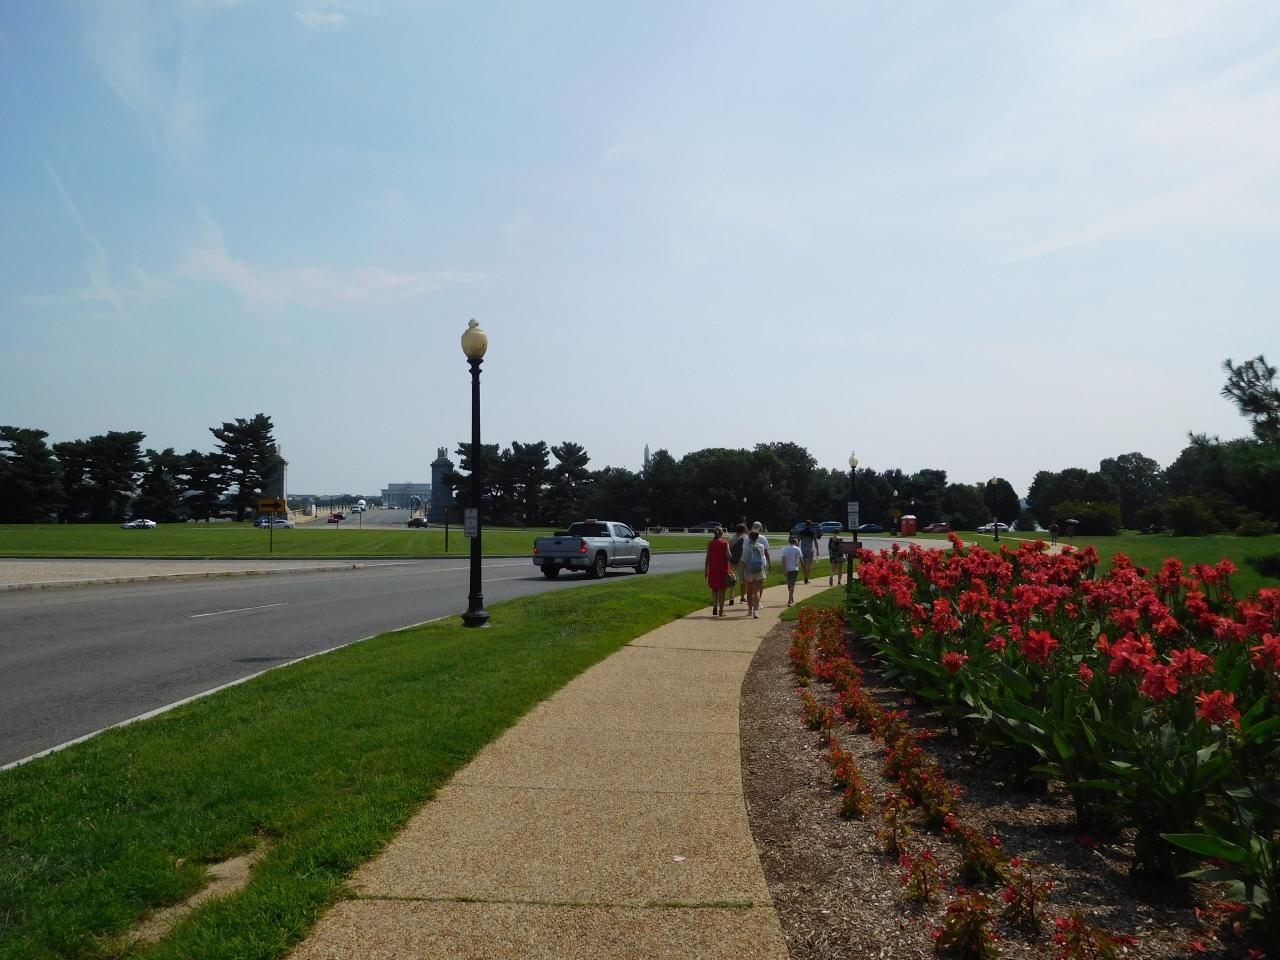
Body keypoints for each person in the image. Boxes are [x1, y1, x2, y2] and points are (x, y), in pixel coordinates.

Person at [741, 527, 771, 618]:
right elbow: (762, 558)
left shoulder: (746, 547)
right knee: (757, 591)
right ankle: (756, 610)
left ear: (749, 537)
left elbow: (743, 560)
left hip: (748, 570)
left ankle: (750, 610)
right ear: (757, 537)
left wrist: (742, 571)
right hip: (759, 570)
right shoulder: (761, 546)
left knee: (749, 591)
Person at [704, 526, 733, 617]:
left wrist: (706, 570)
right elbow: (729, 556)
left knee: (714, 589)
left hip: (713, 569)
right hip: (722, 569)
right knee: (722, 590)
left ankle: (714, 607)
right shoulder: (725, 543)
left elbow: (707, 558)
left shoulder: (710, 543)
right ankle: (721, 610)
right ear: (722, 533)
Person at [727, 523, 747, 606]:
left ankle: (731, 597)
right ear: (743, 530)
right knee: (743, 581)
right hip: (741, 562)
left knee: (732, 580)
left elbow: (727, 552)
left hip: (731, 562)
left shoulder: (730, 539)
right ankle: (742, 598)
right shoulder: (745, 539)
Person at [796, 519, 821, 584]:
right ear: (810, 525)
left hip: (802, 550)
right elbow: (815, 542)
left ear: (805, 525)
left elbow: (798, 542)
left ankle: (805, 577)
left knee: (804, 565)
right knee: (809, 565)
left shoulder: (801, 532)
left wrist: (796, 549)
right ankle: (807, 578)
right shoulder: (812, 533)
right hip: (810, 550)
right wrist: (817, 551)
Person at [781, 536, 802, 606]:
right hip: (794, 569)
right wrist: (803, 567)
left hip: (787, 569)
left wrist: (784, 569)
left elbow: (783, 560)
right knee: (792, 584)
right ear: (795, 542)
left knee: (789, 584)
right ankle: (790, 601)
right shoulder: (797, 549)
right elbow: (801, 559)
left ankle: (791, 598)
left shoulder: (785, 549)